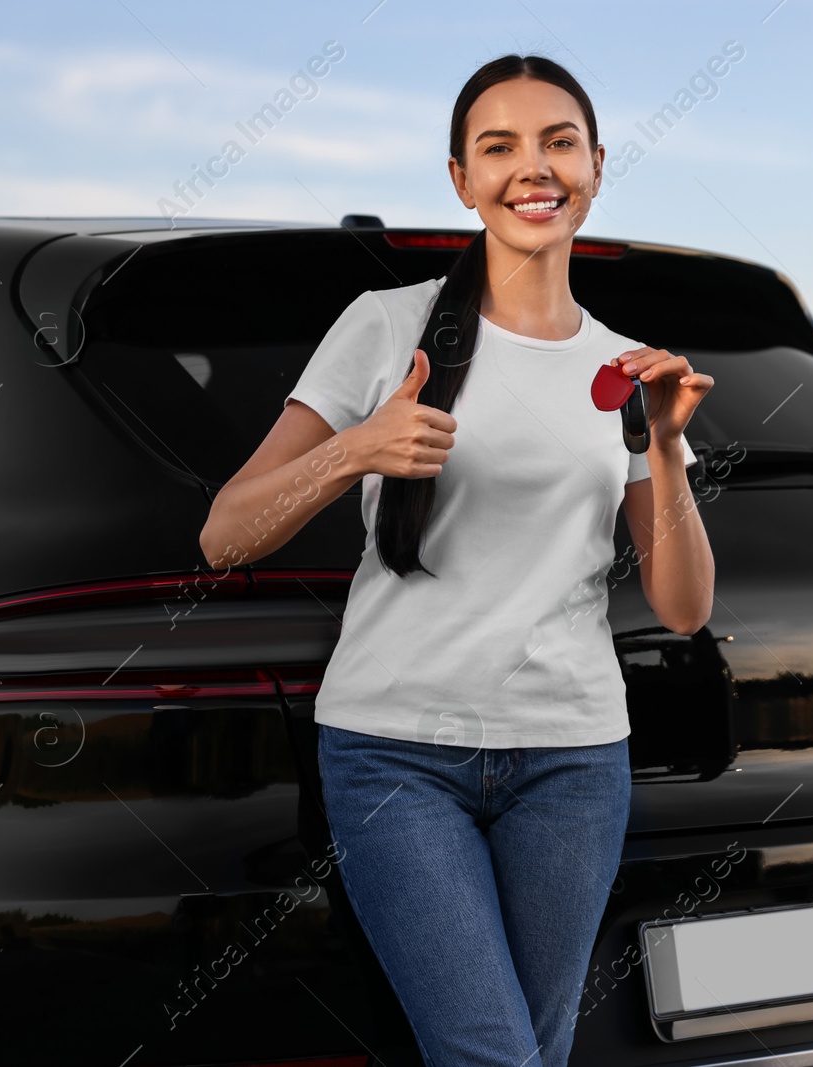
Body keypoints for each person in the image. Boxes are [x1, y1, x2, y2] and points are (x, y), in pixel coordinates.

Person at [197, 53, 715, 1067]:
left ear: (598, 166)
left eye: (559, 142)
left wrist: (660, 442)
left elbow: (684, 605)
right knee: (491, 1054)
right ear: (460, 178)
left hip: (572, 761)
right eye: (501, 146)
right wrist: (357, 450)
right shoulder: (384, 328)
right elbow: (224, 533)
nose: (535, 168)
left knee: (537, 1049)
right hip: (396, 755)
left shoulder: (624, 370)